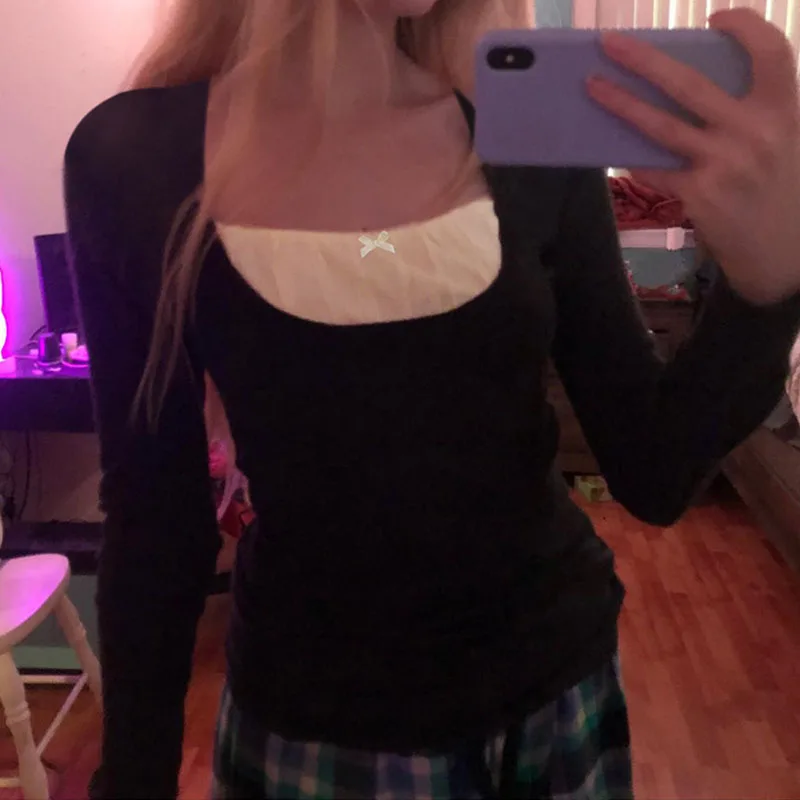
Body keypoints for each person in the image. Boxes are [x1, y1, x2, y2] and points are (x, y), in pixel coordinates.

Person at [63, 1, 800, 797]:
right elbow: (156, 517)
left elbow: (654, 469)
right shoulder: (135, 159)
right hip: (315, 728)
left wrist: (769, 284)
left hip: (558, 697)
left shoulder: (526, 138)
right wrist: (132, 780)